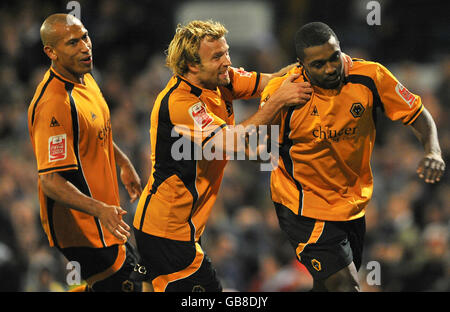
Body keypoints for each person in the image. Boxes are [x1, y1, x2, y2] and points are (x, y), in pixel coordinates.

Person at [131, 19, 350, 292]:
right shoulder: (181, 103)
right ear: (192, 65)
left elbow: (272, 81)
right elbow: (232, 141)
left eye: (226, 52)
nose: (227, 61)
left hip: (175, 229)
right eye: (217, 56)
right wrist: (279, 101)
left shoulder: (222, 80)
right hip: (166, 231)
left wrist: (314, 64)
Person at [260, 22, 446, 292]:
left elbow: (418, 114)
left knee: (327, 286)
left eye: (334, 57)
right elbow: (256, 144)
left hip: (352, 205)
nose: (330, 68)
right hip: (304, 206)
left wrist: (433, 150)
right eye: (319, 64)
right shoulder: (283, 93)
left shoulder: (370, 76)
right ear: (301, 65)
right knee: (345, 286)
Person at [27, 13, 144, 292]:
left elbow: (94, 132)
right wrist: (99, 210)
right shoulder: (53, 104)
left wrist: (123, 161)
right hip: (80, 228)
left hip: (104, 218)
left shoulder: (86, 78)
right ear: (51, 52)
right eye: (72, 43)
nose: (85, 47)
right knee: (134, 286)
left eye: (85, 37)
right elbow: (50, 180)